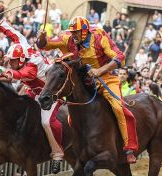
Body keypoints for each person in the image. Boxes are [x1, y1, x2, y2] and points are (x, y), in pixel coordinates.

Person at [37, 16, 138, 164]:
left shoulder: (99, 36)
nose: (73, 35)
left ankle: (129, 148)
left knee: (118, 107)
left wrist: (101, 70)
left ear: (84, 31)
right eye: (72, 32)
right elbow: (44, 45)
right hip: (85, 82)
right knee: (72, 116)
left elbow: (120, 58)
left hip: (106, 79)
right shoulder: (68, 38)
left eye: (76, 32)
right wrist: (42, 38)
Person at [0, 16, 64, 173]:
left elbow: (23, 74)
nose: (10, 63)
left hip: (51, 94)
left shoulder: (32, 67)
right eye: (10, 60)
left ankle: (57, 153)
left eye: (13, 61)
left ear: (22, 58)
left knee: (46, 122)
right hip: (34, 91)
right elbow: (15, 34)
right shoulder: (22, 46)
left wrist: (10, 74)